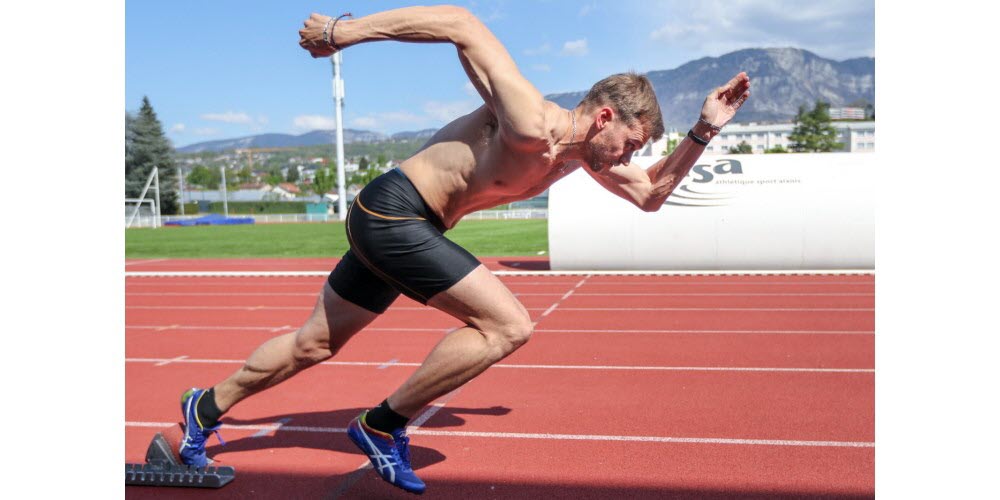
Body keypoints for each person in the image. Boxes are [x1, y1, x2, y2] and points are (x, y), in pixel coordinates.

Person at [176, 5, 750, 495]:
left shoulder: (579, 156)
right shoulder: (529, 119)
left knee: (314, 344)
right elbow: (459, 21)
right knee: (508, 326)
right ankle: (380, 425)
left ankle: (203, 408)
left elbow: (651, 195)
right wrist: (341, 34)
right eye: (631, 142)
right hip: (393, 211)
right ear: (604, 116)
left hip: (409, 225)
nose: (629, 157)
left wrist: (705, 129)